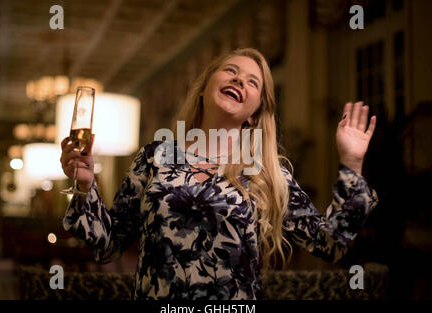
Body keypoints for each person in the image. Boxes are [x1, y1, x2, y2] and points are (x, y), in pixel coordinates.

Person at [60, 48, 378, 300]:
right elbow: (107, 245)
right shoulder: (155, 157)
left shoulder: (266, 171)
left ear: (254, 114)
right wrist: (86, 187)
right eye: (231, 71)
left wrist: (352, 163)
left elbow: (331, 243)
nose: (240, 81)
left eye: (253, 82)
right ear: (203, 89)